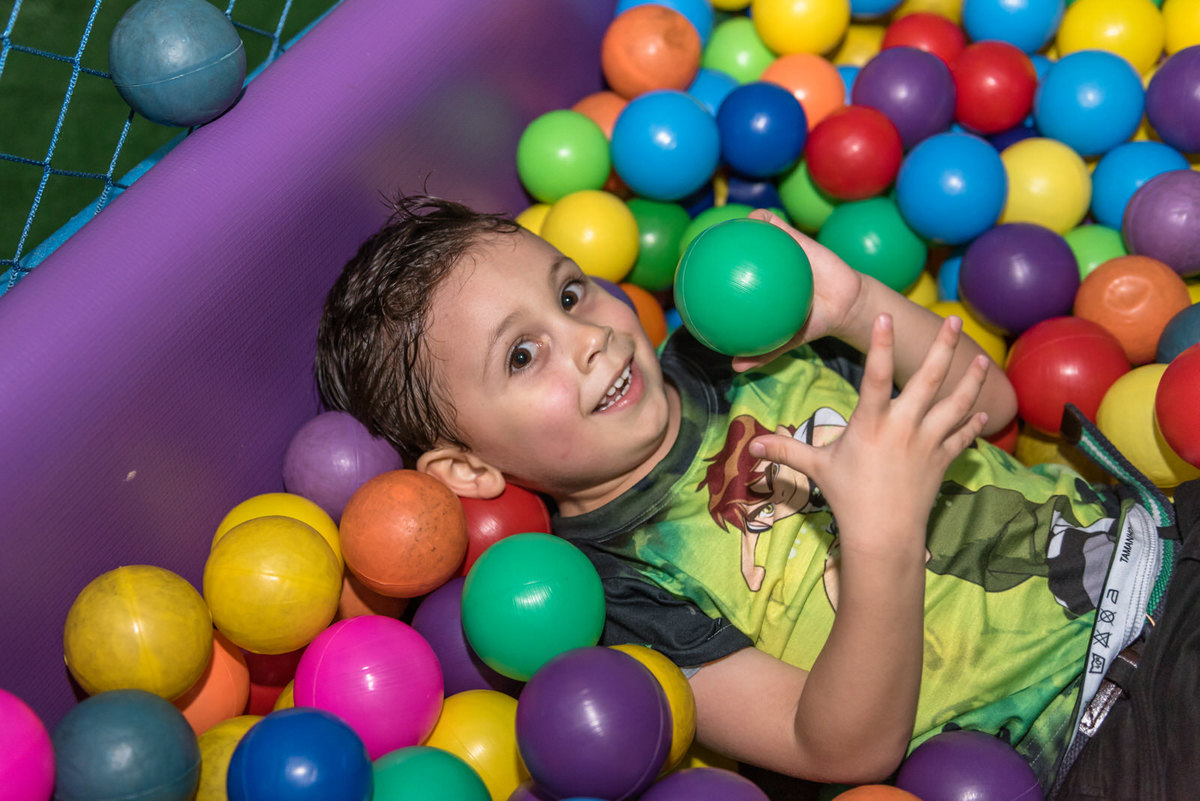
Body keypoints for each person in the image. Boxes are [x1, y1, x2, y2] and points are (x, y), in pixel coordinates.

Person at [315, 194, 1191, 798]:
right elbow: (839, 746)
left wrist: (850, 304)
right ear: (469, 468)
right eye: (521, 355)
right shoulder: (614, 592)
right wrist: (878, 534)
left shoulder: (742, 342)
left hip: (1163, 549)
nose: (587, 338)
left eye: (570, 291)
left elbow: (990, 403)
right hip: (1094, 728)